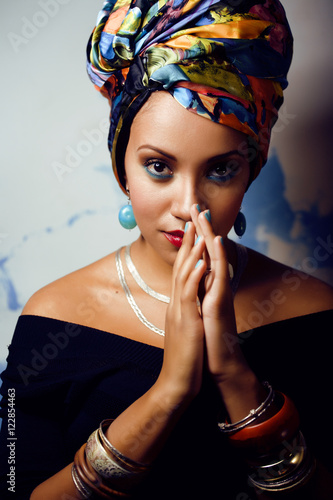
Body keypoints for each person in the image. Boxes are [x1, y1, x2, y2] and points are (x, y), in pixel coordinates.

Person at [1, 0, 333, 498]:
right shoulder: (53, 318)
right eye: (159, 166)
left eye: (220, 169)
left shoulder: (314, 312)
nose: (187, 204)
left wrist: (234, 374)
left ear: (252, 171)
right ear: (122, 170)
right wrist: (169, 391)